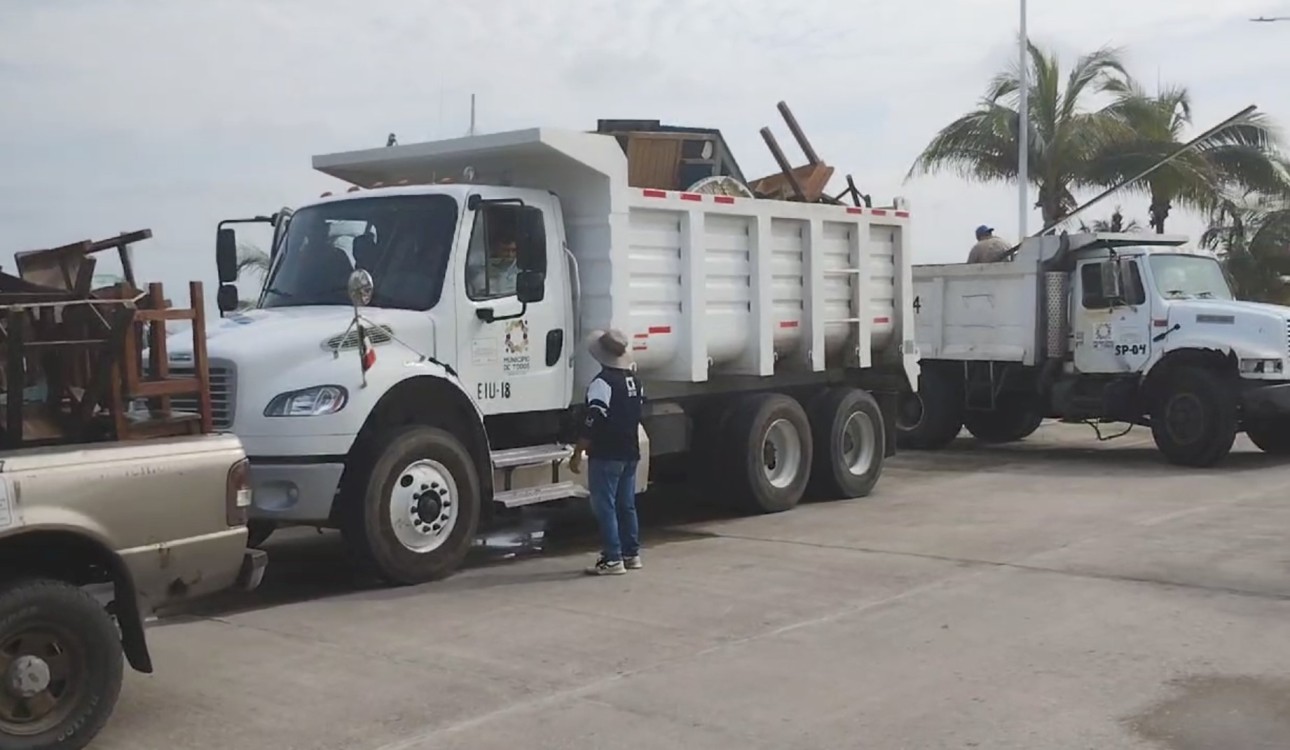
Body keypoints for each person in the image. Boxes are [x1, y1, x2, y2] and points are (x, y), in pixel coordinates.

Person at [569, 329, 645, 576]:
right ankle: (631, 554)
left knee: (605, 506)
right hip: (630, 451)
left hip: (607, 453)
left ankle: (613, 558)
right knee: (627, 504)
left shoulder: (603, 383)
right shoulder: (634, 380)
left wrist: (578, 451)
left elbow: (594, 419)